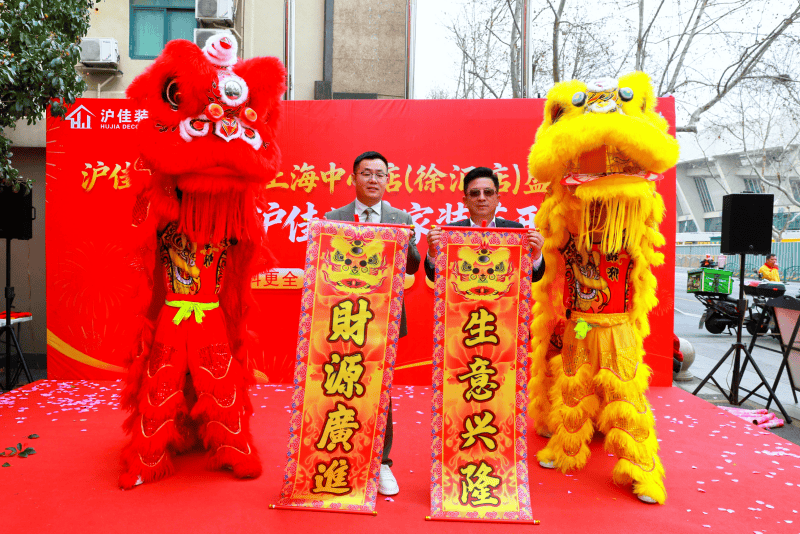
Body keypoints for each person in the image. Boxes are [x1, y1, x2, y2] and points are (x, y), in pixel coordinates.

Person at [324, 150, 421, 496]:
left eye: (380, 174)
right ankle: (341, 455)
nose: (373, 180)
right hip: (342, 319)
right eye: (366, 173)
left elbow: (413, 267)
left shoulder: (401, 217)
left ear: (387, 180)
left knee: (380, 390)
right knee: (341, 384)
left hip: (384, 319)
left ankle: (381, 463)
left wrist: (408, 241)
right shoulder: (333, 218)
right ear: (354, 178)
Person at [424, 166, 545, 282]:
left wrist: (536, 254)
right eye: (475, 193)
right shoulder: (450, 232)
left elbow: (534, 277)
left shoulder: (515, 230)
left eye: (488, 192)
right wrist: (433, 252)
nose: (481, 198)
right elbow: (434, 277)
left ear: (497, 199)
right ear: (465, 201)